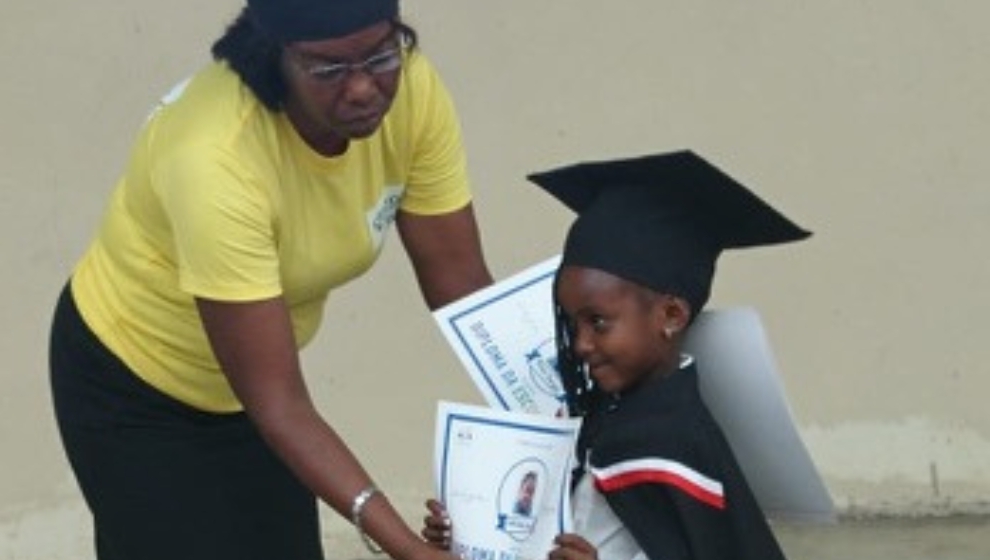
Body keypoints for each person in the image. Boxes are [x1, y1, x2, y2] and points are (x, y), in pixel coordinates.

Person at [49, 0, 492, 559]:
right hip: (135, 388)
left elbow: (461, 284)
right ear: (274, 58)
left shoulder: (412, 89)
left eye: (381, 54)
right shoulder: (214, 157)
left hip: (253, 395)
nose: (362, 88)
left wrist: (552, 409)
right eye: (328, 70)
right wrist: (406, 547)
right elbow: (278, 403)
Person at [424, 150, 807, 560]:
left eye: (598, 322)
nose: (580, 344)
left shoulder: (682, 447)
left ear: (672, 316)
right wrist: (469, 536)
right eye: (571, 324)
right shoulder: (593, 419)